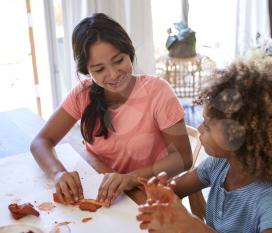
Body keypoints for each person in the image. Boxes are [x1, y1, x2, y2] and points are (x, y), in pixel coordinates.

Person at [30, 13, 192, 207]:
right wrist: (58, 174)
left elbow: (183, 159)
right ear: (87, 71)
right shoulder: (83, 94)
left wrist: (130, 178)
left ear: (129, 52)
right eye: (99, 69)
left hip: (148, 197)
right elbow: (41, 142)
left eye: (118, 60)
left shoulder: (158, 92)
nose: (113, 74)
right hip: (101, 195)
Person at [136, 58, 272, 233]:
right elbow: (175, 190)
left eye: (207, 125)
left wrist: (195, 227)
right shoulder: (219, 165)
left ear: (240, 136)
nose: (199, 128)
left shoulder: (271, 198)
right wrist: (162, 194)